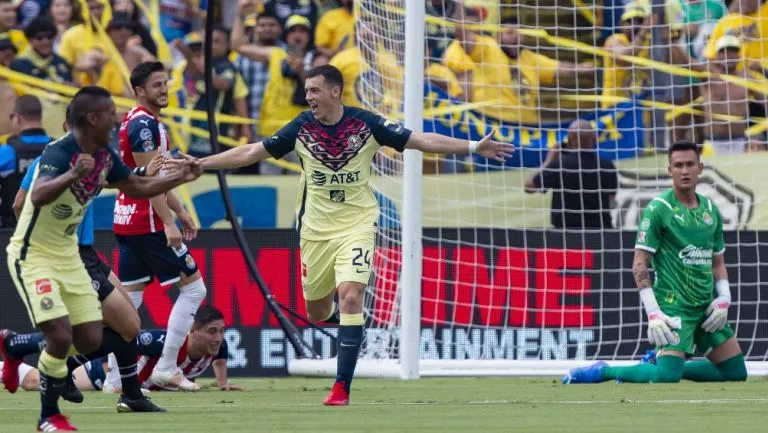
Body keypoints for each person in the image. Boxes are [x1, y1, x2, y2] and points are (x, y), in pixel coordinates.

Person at [168, 64, 514, 406]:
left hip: (358, 224)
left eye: (315, 91)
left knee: (351, 296)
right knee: (317, 311)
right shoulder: (301, 127)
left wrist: (471, 147)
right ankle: (343, 320)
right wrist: (203, 163)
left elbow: (419, 140)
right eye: (306, 92)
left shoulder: (366, 124)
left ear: (335, 91)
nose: (309, 98)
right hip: (316, 231)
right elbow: (251, 152)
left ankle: (341, 388)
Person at [6, 85, 201, 431]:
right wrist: (72, 175)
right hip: (34, 255)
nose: (116, 118)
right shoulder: (59, 152)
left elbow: (137, 187)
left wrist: (179, 175)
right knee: (63, 336)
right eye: (111, 112)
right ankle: (48, 416)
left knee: (93, 339)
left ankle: (16, 348)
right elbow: (34, 195)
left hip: (71, 256)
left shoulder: (104, 154)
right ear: (92, 118)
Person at [563, 141, 747, 385]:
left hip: (705, 307)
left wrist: (724, 298)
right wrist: (654, 313)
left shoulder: (711, 209)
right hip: (674, 307)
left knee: (735, 373)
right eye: (678, 165)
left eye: (690, 164)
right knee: (665, 377)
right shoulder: (658, 210)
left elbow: (718, 262)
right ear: (669, 169)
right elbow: (639, 264)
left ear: (700, 168)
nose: (684, 170)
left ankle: (665, 364)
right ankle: (605, 371)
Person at [114, 61, 204, 393]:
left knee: (128, 304)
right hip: (148, 221)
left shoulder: (144, 122)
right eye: (156, 85)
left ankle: (112, 379)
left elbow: (158, 178)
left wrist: (181, 211)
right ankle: (166, 367)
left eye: (165, 83)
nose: (164, 89)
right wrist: (169, 221)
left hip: (128, 220)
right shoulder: (144, 126)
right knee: (195, 290)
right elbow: (148, 182)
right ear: (139, 90)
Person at [1, 305, 244, 394]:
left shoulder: (213, 349)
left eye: (222, 331)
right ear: (192, 331)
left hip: (130, 383)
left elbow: (220, 356)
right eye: (213, 331)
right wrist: (113, 378)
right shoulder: (164, 342)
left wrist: (222, 382)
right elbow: (121, 344)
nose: (219, 338)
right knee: (38, 382)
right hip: (101, 370)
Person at [524, 120, 618, 229]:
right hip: (601, 232)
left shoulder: (560, 165)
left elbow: (529, 187)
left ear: (569, 140)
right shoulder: (608, 166)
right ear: (594, 139)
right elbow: (612, 196)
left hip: (566, 235)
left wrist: (549, 160)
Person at [0, 96, 53, 229]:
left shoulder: (7, 151)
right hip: (52, 231)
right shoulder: (57, 148)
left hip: (12, 231)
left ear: (17, 118)